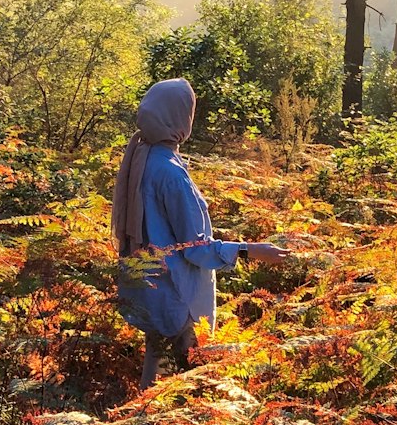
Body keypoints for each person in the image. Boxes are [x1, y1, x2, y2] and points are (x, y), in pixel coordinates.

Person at [112, 77, 290, 387]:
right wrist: (252, 250)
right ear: (181, 117)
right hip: (178, 298)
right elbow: (196, 248)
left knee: (153, 386)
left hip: (151, 292)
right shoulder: (169, 171)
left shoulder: (143, 158)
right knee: (185, 391)